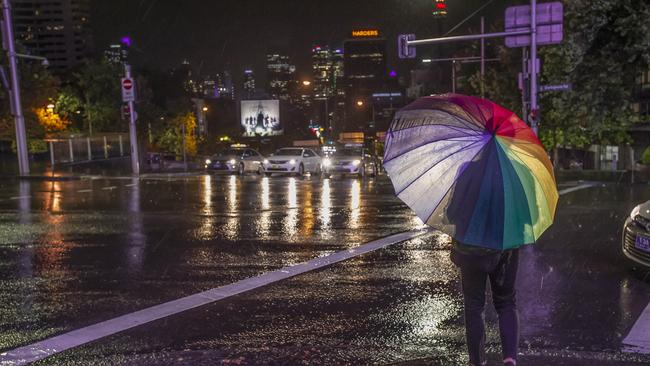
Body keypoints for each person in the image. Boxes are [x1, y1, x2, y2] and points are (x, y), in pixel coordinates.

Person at [451, 241, 519, 366]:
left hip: (470, 248)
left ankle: (477, 361)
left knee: (474, 306)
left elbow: (453, 220)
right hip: (505, 246)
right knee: (506, 302)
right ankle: (510, 361)